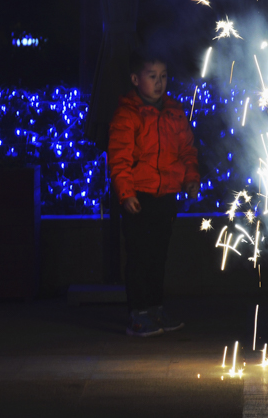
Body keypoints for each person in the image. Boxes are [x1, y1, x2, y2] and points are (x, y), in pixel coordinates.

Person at [107, 50, 200, 337]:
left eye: (163, 76)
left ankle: (155, 308)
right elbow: (119, 158)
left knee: (158, 256)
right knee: (139, 256)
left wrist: (190, 179)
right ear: (136, 79)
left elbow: (187, 150)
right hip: (139, 197)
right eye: (152, 76)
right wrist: (126, 194)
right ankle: (138, 313)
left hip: (165, 196)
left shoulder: (174, 112)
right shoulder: (128, 114)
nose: (159, 83)